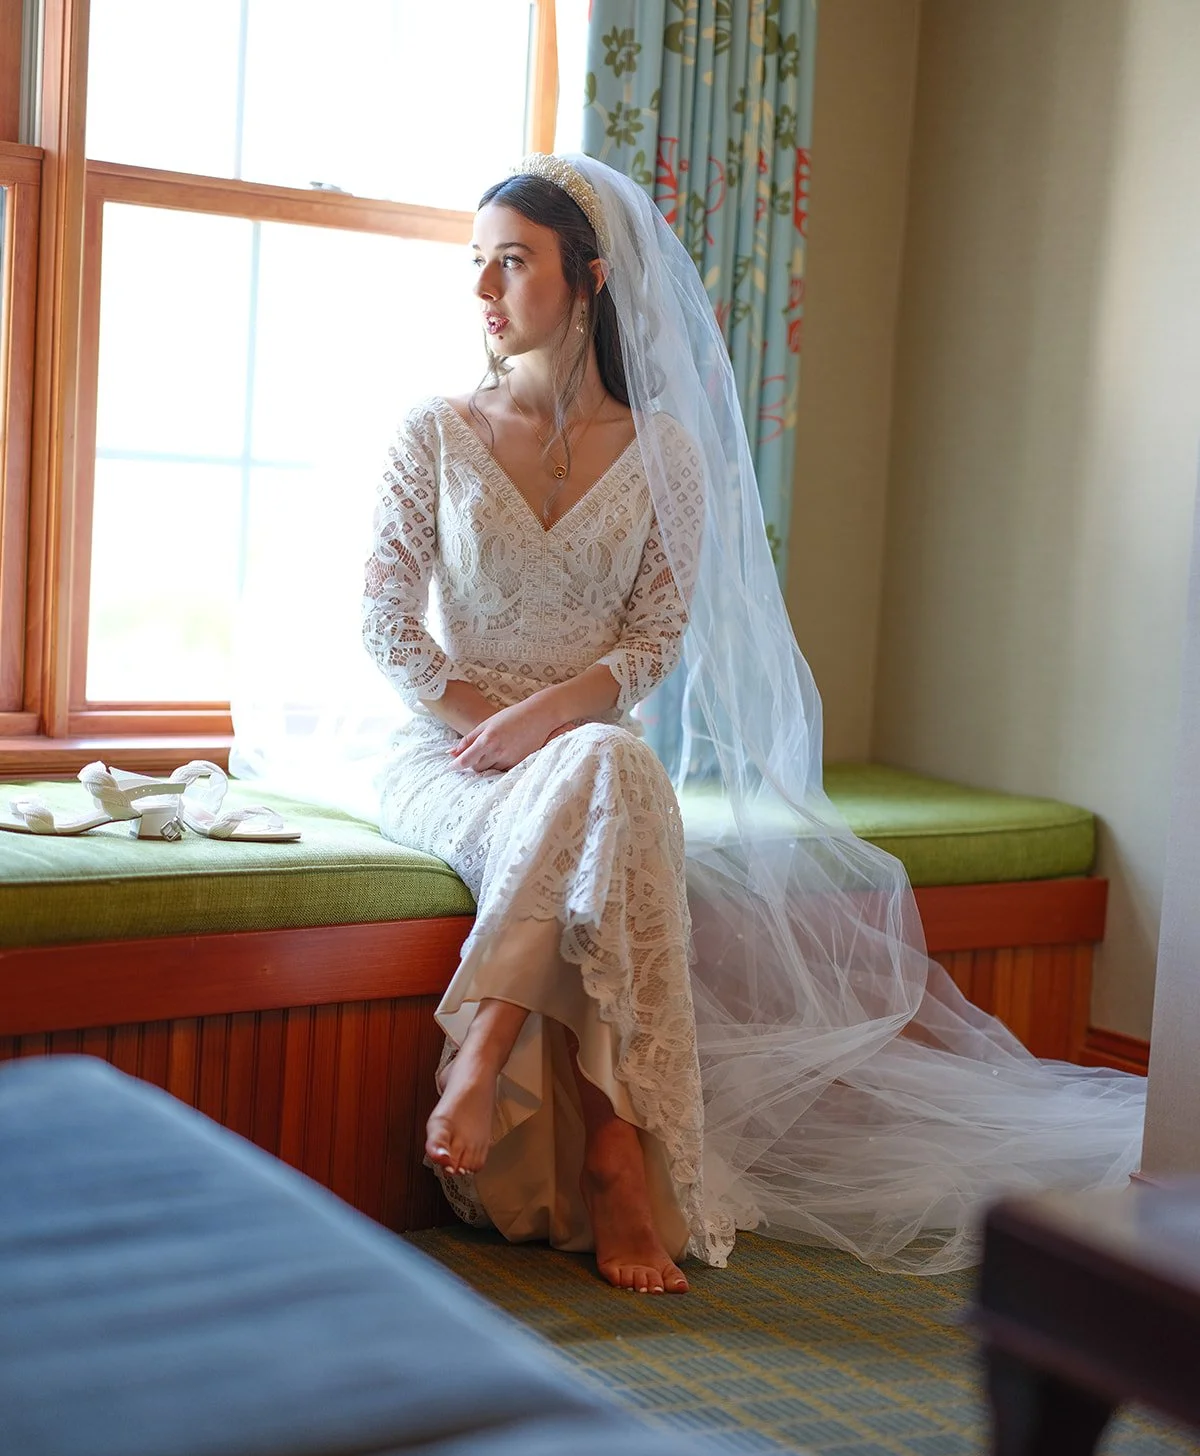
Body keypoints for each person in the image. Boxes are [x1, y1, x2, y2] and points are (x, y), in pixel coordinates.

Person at [361, 153, 1146, 1290]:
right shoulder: (432, 432)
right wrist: (495, 721)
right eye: (475, 264)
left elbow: (648, 645)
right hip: (450, 756)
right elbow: (387, 626)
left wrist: (555, 716)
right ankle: (612, 1154)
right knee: (617, 780)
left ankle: (482, 1054)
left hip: (574, 752)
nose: (484, 289)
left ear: (584, 281)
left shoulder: (666, 454)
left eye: (512, 263)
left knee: (610, 767)